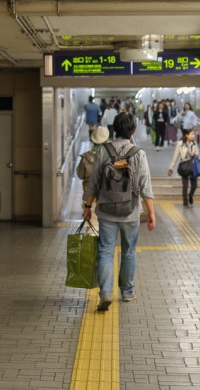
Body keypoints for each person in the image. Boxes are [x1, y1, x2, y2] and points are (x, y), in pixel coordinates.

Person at [82, 112, 156, 311]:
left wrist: (88, 207)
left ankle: (105, 292)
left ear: (115, 129)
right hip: (131, 212)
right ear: (132, 131)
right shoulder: (138, 153)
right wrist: (151, 213)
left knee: (105, 251)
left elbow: (93, 184)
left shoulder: (103, 151)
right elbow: (145, 186)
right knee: (129, 252)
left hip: (106, 211)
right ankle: (127, 291)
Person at [167, 128, 199, 207]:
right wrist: (171, 168)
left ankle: (190, 195)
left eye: (193, 134)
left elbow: (198, 155)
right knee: (185, 185)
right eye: (191, 134)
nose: (193, 136)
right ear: (187, 135)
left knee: (194, 185)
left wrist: (194, 155)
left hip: (193, 166)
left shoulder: (194, 143)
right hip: (184, 166)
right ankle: (185, 201)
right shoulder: (180, 144)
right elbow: (175, 156)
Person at [76, 125, 110, 198]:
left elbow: (80, 175)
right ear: (106, 140)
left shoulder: (85, 157)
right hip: (106, 197)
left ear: (92, 139)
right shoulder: (111, 157)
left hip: (88, 195)